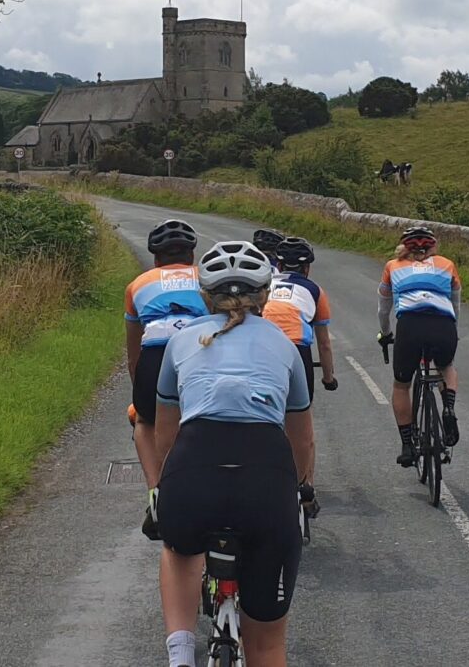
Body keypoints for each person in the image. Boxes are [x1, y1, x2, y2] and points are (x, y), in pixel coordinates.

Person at [145, 241, 314, 667]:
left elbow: (165, 436)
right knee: (268, 646)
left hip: (193, 469)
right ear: (265, 295)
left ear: (205, 296)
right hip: (265, 477)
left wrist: (163, 489)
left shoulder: (181, 342)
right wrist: (303, 489)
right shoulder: (285, 346)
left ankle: (180, 654)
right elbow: (302, 442)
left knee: (178, 548)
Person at [128, 220, 206, 514]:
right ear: (192, 257)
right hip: (197, 354)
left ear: (156, 259)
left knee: (145, 421)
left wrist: (141, 392)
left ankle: (156, 491)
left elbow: (133, 352)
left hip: (155, 357)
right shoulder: (206, 279)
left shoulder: (138, 284)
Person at [260, 237, 335, 519]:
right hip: (297, 351)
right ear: (307, 269)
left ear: (277, 265)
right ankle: (306, 489)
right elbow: (324, 343)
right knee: (301, 428)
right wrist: (329, 377)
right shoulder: (314, 291)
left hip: (263, 348)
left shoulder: (264, 285)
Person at [376, 226, 463, 467]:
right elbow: (455, 305)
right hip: (443, 325)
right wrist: (453, 331)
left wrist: (386, 334)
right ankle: (448, 408)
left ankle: (406, 445)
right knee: (446, 367)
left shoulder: (392, 267)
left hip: (410, 326)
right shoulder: (447, 264)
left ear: (403, 247)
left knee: (401, 385)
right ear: (433, 247)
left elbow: (384, 310)